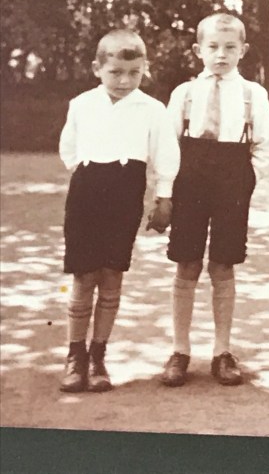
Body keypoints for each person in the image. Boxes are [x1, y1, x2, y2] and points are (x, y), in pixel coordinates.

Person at [58, 29, 180, 392]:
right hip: (86, 194)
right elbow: (69, 149)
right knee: (83, 276)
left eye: (134, 73)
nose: (125, 81)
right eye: (115, 72)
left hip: (126, 195)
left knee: (112, 275)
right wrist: (90, 172)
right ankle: (75, 355)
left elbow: (165, 156)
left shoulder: (152, 109)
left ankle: (98, 355)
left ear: (144, 69)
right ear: (97, 68)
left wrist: (164, 198)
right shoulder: (82, 104)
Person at [160, 13, 269, 387]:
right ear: (199, 50)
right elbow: (167, 144)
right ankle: (180, 350)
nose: (221, 55)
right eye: (213, 47)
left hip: (232, 181)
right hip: (190, 181)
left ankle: (222, 351)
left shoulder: (253, 94)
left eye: (230, 47)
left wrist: (246, 180)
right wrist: (166, 189)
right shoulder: (184, 93)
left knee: (223, 264)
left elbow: (266, 145)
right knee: (186, 262)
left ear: (243, 50)